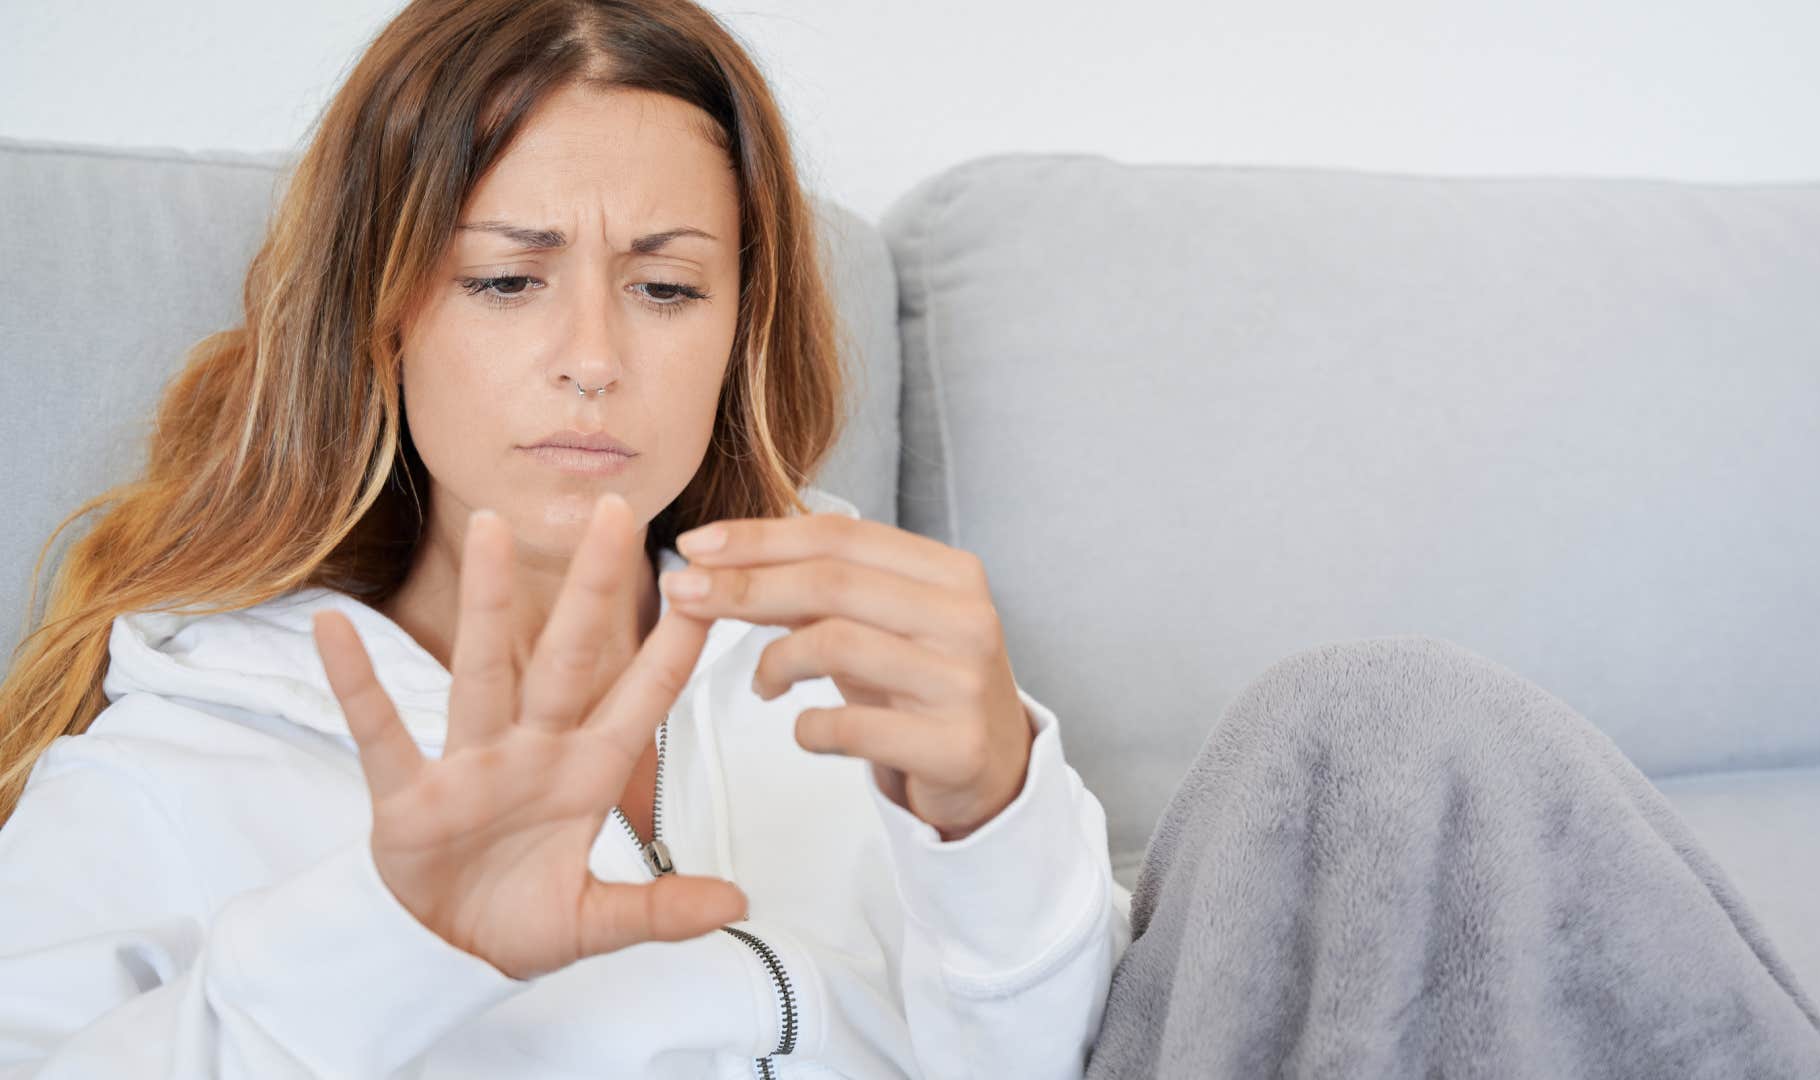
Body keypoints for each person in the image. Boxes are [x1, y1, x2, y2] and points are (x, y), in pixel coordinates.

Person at [0, 1, 1127, 1076]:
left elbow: (1090, 1056)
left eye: (667, 286)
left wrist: (993, 823)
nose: (593, 357)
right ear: (379, 318)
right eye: (504, 278)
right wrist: (383, 945)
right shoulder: (179, 765)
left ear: (742, 325)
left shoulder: (855, 656)